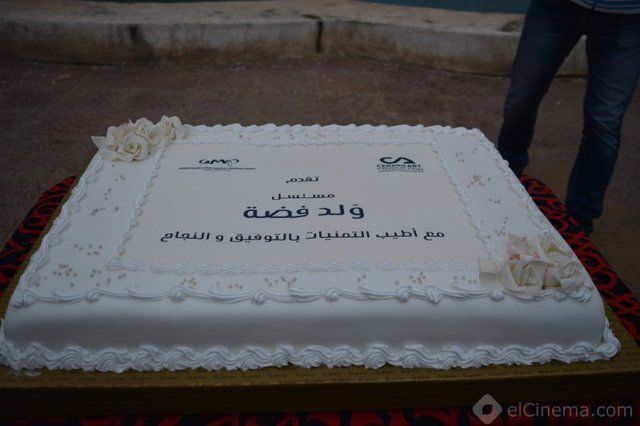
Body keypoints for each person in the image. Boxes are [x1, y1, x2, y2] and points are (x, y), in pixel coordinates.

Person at [497, 0, 640, 235]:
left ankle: (578, 226)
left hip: (627, 16)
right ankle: (504, 182)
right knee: (521, 98)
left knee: (605, 123)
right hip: (557, 6)